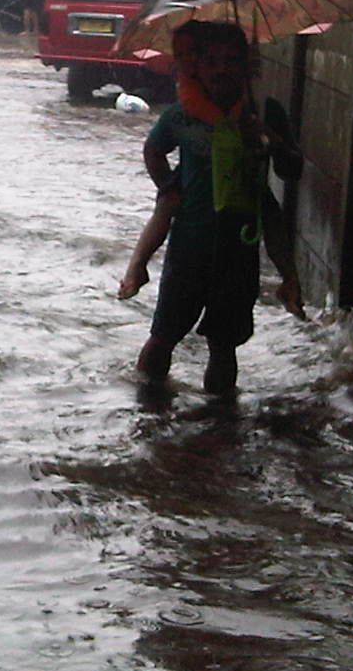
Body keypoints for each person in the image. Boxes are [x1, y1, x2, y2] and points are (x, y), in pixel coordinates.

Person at [130, 21, 304, 395]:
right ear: (196, 66)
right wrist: (168, 188)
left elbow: (291, 173)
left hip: (239, 253)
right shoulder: (180, 116)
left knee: (224, 345)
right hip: (189, 246)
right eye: (212, 61)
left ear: (245, 66)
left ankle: (217, 430)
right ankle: (146, 409)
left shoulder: (262, 114)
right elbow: (153, 150)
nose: (222, 69)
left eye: (231, 60)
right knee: (164, 335)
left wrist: (272, 141)